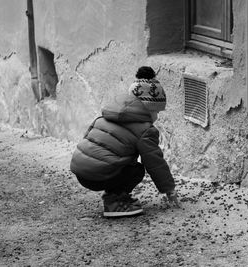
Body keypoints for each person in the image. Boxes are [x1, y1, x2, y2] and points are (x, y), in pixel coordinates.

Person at [70, 66, 180, 218]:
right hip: (99, 174)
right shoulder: (146, 130)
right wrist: (169, 189)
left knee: (122, 160)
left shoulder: (105, 116)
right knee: (136, 170)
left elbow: (89, 138)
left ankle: (114, 196)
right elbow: (154, 162)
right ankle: (114, 202)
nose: (157, 116)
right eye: (157, 111)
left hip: (81, 172)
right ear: (148, 109)